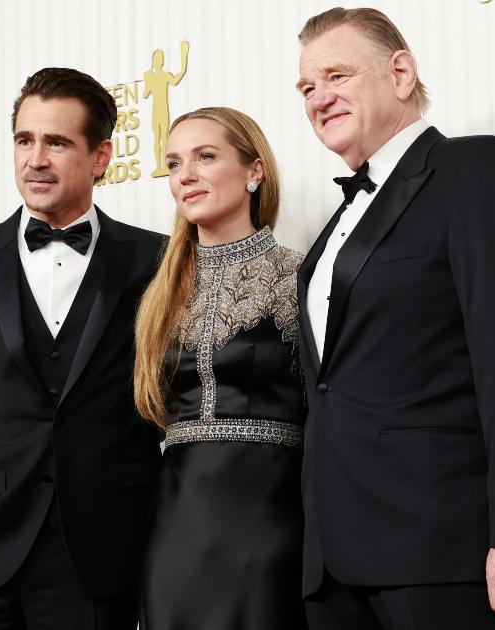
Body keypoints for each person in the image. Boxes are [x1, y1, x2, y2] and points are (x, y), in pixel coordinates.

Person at [294, 8, 495, 629]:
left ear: (400, 73)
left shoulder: (475, 171)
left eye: (337, 75)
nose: (319, 98)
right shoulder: (336, 226)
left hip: (449, 551)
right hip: (336, 563)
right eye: (307, 87)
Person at [0, 67, 164, 629]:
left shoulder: (156, 262)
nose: (36, 159)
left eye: (58, 142)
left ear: (101, 157)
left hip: (99, 561)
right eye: (25, 140)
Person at [135, 106, 308, 630]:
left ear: (255, 171)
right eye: (173, 163)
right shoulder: (157, 292)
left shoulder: (302, 276)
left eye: (205, 157)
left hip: (272, 517)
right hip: (176, 521)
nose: (184, 174)